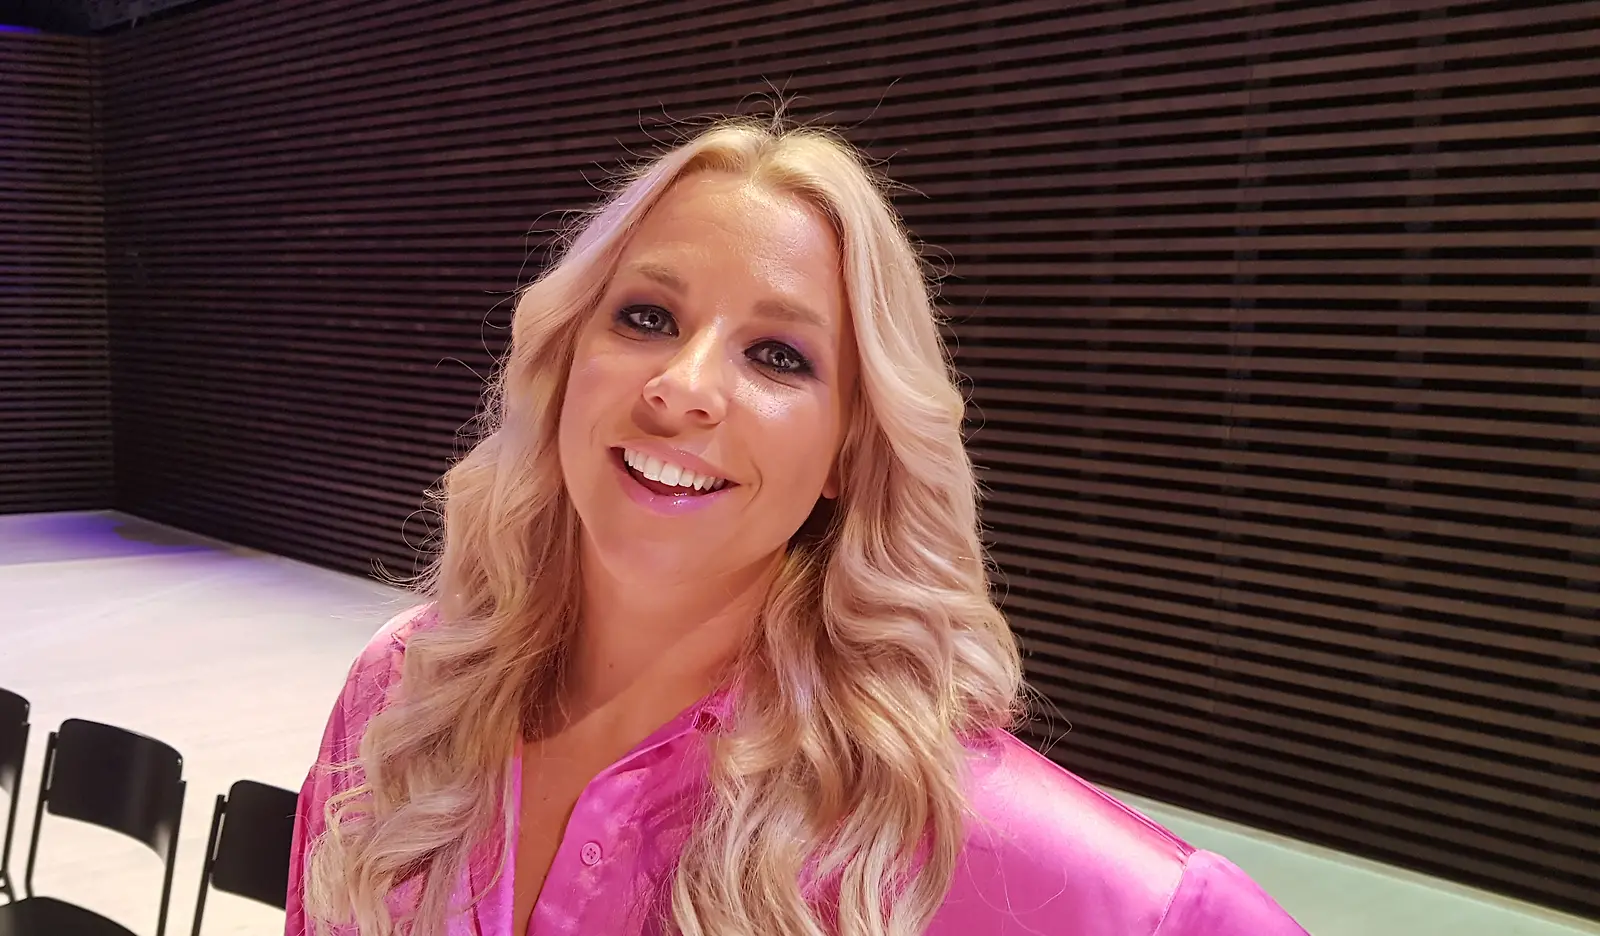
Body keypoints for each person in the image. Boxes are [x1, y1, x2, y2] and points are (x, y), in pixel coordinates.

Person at [287, 116, 1309, 936]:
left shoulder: (974, 833)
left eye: (778, 356)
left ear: (848, 453)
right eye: (647, 318)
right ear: (565, 364)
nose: (683, 386)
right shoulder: (405, 693)